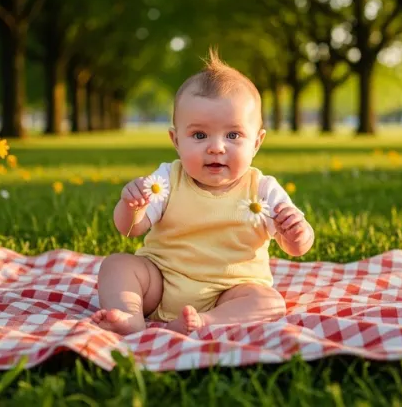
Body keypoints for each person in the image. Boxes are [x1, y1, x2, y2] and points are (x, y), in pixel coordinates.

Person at [94, 49, 314, 335]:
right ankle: (129, 314)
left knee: (269, 302)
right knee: (117, 265)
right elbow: (131, 229)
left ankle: (205, 322)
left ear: (257, 143)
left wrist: (297, 232)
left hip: (230, 292)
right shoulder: (168, 178)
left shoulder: (263, 189)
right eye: (199, 135)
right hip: (160, 282)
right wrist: (131, 205)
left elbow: (296, 248)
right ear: (176, 140)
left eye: (233, 135)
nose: (216, 147)